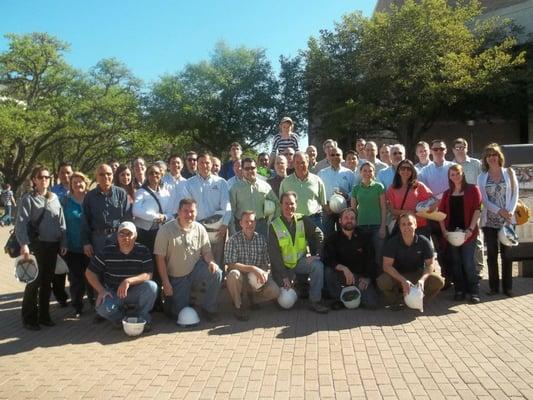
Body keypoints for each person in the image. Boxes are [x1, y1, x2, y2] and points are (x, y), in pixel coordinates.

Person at [15, 165, 67, 330]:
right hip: (36, 245)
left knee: (47, 282)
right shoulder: (28, 199)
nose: (44, 180)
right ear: (34, 180)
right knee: (34, 281)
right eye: (40, 177)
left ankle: (44, 316)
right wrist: (24, 244)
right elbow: (21, 224)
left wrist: (63, 242)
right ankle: (29, 318)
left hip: (53, 245)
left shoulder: (54, 198)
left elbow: (62, 222)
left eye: (46, 177)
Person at [154, 198, 223, 321]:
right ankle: (171, 303)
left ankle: (209, 308)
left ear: (196, 212)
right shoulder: (165, 230)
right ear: (178, 212)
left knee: (216, 273)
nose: (189, 215)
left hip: (195, 271)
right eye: (185, 211)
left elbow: (206, 251)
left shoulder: (199, 228)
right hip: (177, 277)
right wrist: (166, 282)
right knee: (178, 314)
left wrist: (211, 262)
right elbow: (160, 259)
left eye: (192, 211)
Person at [85, 222, 157, 331]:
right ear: (117, 236)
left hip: (135, 291)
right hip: (114, 293)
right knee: (101, 308)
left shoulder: (143, 250)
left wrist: (128, 281)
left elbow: (148, 275)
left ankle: (142, 317)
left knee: (152, 287)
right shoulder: (107, 251)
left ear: (135, 236)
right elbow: (89, 273)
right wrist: (101, 291)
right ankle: (121, 319)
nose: (125, 238)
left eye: (129, 234)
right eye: (121, 234)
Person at [269, 192, 329, 313]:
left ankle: (315, 301)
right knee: (287, 302)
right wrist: (284, 276)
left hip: (300, 262)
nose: (289, 207)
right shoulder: (274, 225)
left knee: (317, 266)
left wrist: (317, 254)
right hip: (283, 267)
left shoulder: (303, 219)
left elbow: (319, 234)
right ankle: (293, 288)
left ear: (296, 205)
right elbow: (274, 255)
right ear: (280, 205)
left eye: (292, 203)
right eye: (286, 203)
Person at [133, 164, 177, 311]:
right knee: (150, 266)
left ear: (161, 175)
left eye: (157, 173)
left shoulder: (165, 192)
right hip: (146, 235)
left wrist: (165, 217)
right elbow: (136, 210)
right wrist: (156, 217)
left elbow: (171, 211)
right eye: (151, 173)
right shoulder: (141, 192)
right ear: (147, 175)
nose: (154, 175)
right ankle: (152, 301)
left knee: (162, 266)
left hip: (162, 232)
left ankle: (162, 299)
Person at [377, 213, 444, 310]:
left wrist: (422, 280)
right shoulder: (392, 242)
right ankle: (397, 301)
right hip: (398, 276)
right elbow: (386, 266)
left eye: (409, 224)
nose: (406, 227)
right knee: (382, 281)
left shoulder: (424, 241)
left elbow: (430, 265)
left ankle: (419, 300)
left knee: (438, 281)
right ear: (399, 227)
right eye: (403, 224)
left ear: (416, 225)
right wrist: (403, 281)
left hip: (417, 274)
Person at [478, 143, 519, 297]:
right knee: (492, 255)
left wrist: (509, 212)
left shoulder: (509, 173)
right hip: (490, 221)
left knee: (507, 255)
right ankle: (494, 287)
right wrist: (499, 210)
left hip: (508, 220)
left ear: (499, 157)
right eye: (489, 155)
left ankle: (508, 288)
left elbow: (515, 193)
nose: (492, 158)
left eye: (494, 154)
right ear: (485, 159)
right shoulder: (482, 177)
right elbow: (484, 200)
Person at [225, 211, 280, 320]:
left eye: (252, 221)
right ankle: (238, 305)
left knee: (275, 291)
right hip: (240, 277)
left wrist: (263, 273)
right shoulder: (233, 240)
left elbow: (265, 263)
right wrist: (253, 269)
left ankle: (253, 298)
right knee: (233, 274)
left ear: (256, 223)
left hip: (255, 278)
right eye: (246, 221)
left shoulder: (262, 239)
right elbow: (230, 265)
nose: (250, 224)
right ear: (240, 223)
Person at [439, 164, 482, 303]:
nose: (455, 177)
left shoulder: (473, 189)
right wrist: (444, 231)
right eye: (452, 175)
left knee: (468, 262)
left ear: (462, 174)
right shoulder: (447, 193)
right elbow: (441, 214)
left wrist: (470, 229)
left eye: (457, 173)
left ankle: (473, 291)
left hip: (468, 234)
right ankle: (459, 290)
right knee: (456, 263)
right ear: (449, 177)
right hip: (452, 235)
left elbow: (477, 210)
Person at [322, 208, 380, 309]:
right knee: (328, 271)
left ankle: (353, 295)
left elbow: (370, 259)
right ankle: (338, 298)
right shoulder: (332, 238)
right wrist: (343, 268)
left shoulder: (364, 236)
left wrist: (367, 278)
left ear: (356, 221)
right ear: (340, 220)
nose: (349, 220)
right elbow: (327, 259)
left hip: (360, 277)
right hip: (341, 275)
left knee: (372, 304)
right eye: (346, 218)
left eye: (352, 218)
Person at [183, 153, 231, 268]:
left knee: (217, 261)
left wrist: (225, 224)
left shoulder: (221, 182)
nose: (205, 165)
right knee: (198, 260)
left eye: (207, 163)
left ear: (211, 164)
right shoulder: (189, 183)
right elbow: (188, 207)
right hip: (197, 228)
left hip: (218, 229)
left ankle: (217, 283)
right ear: (197, 165)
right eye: (202, 163)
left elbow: (227, 206)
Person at [418, 140, 455, 286]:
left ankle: (455, 278)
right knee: (438, 249)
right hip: (432, 215)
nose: (438, 151)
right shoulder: (425, 171)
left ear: (446, 150)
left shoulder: (452, 167)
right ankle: (446, 278)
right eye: (436, 149)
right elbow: (423, 193)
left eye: (441, 149)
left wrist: (439, 201)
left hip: (451, 214)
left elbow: (455, 188)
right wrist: (435, 202)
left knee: (451, 248)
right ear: (431, 151)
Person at [451, 137, 484, 277]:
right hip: (457, 205)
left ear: (467, 148)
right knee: (459, 235)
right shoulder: (450, 166)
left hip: (475, 205)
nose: (460, 150)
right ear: (453, 150)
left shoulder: (476, 164)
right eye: (457, 148)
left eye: (462, 147)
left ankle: (478, 268)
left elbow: (482, 183)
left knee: (476, 237)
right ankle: (464, 270)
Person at [63, 172, 94, 317]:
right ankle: (77, 306)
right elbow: (61, 224)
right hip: (73, 246)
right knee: (76, 278)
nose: (78, 184)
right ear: (71, 185)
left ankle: (95, 303)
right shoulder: (65, 202)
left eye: (80, 181)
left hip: (91, 246)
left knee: (92, 276)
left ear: (85, 183)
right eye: (74, 182)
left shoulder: (92, 199)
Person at [81, 164, 128, 259]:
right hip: (98, 240)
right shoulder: (89, 196)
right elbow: (85, 220)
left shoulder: (121, 193)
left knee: (117, 267)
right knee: (99, 269)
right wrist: (86, 243)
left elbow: (126, 218)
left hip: (117, 238)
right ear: (97, 177)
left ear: (113, 175)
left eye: (109, 174)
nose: (106, 177)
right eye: (102, 174)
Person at [351, 162, 387, 277]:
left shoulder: (379, 187)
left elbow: (383, 208)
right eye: (364, 171)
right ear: (360, 173)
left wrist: (383, 227)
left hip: (377, 227)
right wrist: (355, 227)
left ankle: (380, 281)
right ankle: (366, 280)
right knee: (364, 255)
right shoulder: (355, 189)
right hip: (361, 227)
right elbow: (353, 210)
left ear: (374, 172)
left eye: (370, 171)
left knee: (378, 255)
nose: (367, 173)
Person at [230, 158, 280, 237]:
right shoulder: (235, 188)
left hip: (261, 226)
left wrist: (272, 222)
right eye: (247, 168)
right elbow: (231, 210)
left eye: (252, 168)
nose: (250, 171)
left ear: (256, 169)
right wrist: (232, 230)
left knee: (263, 249)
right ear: (242, 170)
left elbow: (277, 203)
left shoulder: (265, 186)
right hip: (241, 226)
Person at [279, 152, 327, 231]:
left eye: (303, 162)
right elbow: (281, 205)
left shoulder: (317, 180)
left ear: (308, 163)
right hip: (293, 222)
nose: (300, 165)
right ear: (293, 164)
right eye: (297, 163)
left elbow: (323, 203)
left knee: (318, 243)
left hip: (314, 220)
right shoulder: (285, 182)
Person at [386, 159, 433, 239]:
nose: (405, 171)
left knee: (423, 249)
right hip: (402, 226)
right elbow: (392, 210)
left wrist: (425, 209)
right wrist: (410, 213)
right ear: (398, 171)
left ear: (412, 171)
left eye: (409, 169)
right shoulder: (392, 188)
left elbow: (432, 201)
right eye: (403, 168)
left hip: (420, 225)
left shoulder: (419, 186)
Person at [318, 147, 355, 236]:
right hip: (327, 209)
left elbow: (354, 191)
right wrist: (325, 206)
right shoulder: (322, 173)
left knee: (344, 234)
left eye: (338, 155)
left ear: (342, 157)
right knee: (327, 236)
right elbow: (318, 192)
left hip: (344, 209)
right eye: (332, 155)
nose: (335, 157)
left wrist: (346, 195)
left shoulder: (349, 173)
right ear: (328, 157)